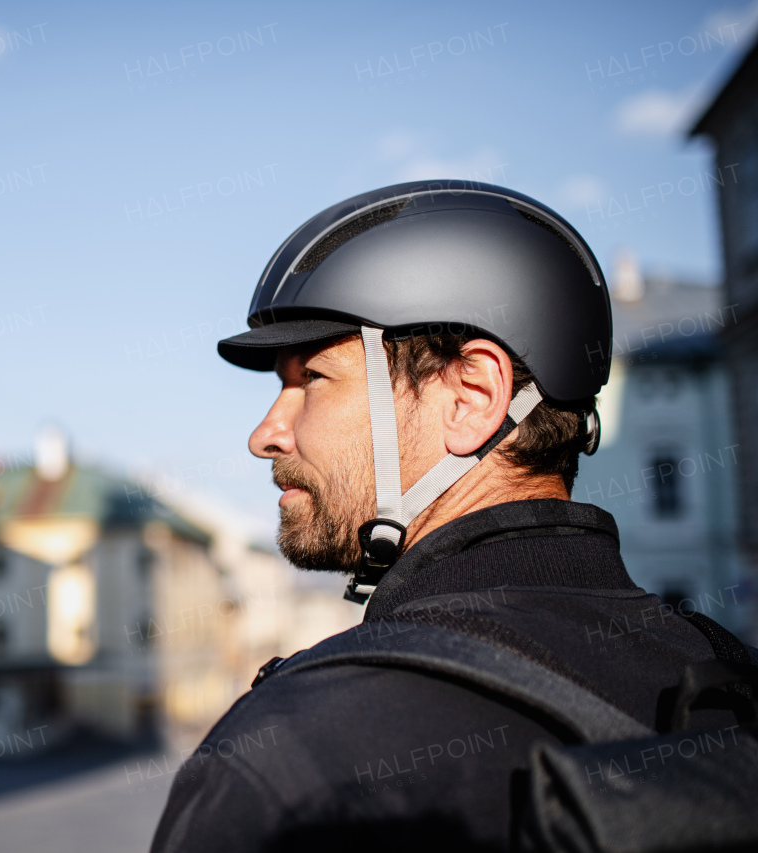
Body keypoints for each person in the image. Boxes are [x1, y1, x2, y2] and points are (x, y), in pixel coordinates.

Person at [150, 181, 748, 851]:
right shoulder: (727, 674)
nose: (266, 433)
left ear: (472, 396)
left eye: (310, 378)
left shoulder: (289, 759)